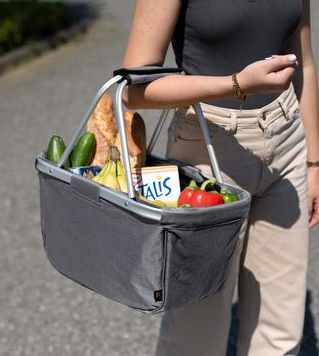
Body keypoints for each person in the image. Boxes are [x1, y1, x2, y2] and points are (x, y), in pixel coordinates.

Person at [122, 1, 319, 355]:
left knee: (282, 333)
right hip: (208, 149)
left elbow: (301, 59)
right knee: (195, 334)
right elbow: (134, 89)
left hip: (287, 137)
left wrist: (314, 162)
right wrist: (236, 84)